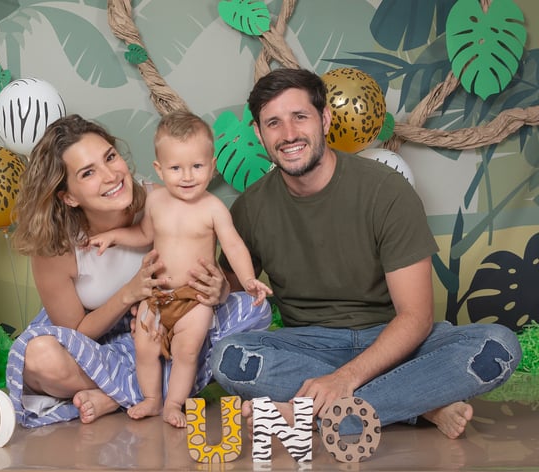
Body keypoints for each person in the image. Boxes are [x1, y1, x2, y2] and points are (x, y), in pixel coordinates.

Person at [209, 68, 522, 439]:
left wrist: (346, 378)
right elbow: (233, 292)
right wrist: (211, 288)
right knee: (229, 357)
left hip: (390, 342)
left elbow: (416, 317)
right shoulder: (250, 208)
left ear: (324, 119)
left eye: (300, 117)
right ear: (259, 134)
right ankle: (420, 404)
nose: (289, 134)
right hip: (309, 346)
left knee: (497, 347)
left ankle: (310, 413)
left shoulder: (386, 191)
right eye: (273, 123)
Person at [5, 114, 271, 428]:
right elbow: (76, 332)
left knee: (252, 311)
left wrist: (219, 290)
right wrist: (129, 294)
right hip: (100, 341)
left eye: (110, 157)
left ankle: (117, 395)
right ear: (69, 196)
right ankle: (142, 393)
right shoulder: (55, 247)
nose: (110, 176)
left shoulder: (163, 197)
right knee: (40, 358)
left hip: (170, 323)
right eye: (88, 172)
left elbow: (200, 265)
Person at [87, 111, 272, 427]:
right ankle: (151, 399)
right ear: (160, 169)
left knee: (187, 351)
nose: (187, 176)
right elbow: (143, 234)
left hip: (194, 299)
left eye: (197, 166)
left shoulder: (212, 208)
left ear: (212, 166)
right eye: (176, 168)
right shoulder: (156, 201)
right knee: (144, 348)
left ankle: (174, 403)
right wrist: (113, 236)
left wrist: (248, 279)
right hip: (157, 295)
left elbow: (233, 246)